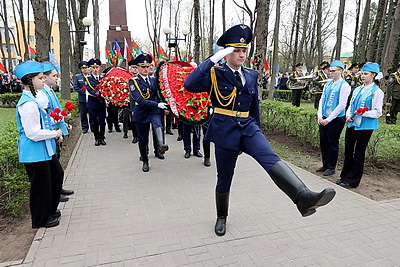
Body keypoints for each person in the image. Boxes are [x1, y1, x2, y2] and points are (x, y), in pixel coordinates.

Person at [184, 24, 336, 237]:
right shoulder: (214, 73)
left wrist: (258, 130)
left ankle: (303, 198)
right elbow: (189, 84)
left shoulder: (252, 75)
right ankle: (221, 216)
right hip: (225, 131)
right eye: (236, 50)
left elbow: (254, 106)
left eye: (243, 50)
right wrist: (214, 57)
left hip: (248, 127)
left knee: (270, 157)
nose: (241, 54)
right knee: (224, 178)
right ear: (226, 52)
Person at [14, 60, 63, 229]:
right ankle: (40, 219)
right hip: (34, 152)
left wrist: (54, 122)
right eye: (40, 78)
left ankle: (49, 210)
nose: (43, 81)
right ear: (30, 80)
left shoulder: (33, 99)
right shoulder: (28, 104)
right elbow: (33, 133)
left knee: (55, 177)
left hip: (43, 150)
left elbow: (42, 122)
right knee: (40, 186)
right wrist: (54, 133)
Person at [337, 62, 384, 188]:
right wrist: (348, 115)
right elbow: (351, 105)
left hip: (366, 126)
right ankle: (345, 176)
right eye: (362, 73)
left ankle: (353, 180)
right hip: (352, 124)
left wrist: (362, 113)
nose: (362, 76)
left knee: (359, 153)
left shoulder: (377, 92)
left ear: (373, 75)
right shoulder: (358, 89)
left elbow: (378, 112)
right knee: (348, 150)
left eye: (365, 74)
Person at [37, 62, 75, 202]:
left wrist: (64, 122)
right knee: (54, 166)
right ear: (45, 78)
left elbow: (56, 110)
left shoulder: (50, 90)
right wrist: (58, 125)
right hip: (52, 131)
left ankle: (58, 189)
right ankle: (55, 192)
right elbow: (48, 115)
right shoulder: (42, 93)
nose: (56, 78)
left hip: (56, 129)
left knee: (56, 161)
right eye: (54, 75)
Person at [128, 54, 169, 172]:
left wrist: (163, 104)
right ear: (138, 68)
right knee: (143, 139)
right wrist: (157, 104)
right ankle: (145, 160)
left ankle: (161, 145)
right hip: (141, 112)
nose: (145, 69)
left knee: (158, 125)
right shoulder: (133, 81)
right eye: (143, 67)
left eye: (147, 66)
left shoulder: (153, 80)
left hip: (154, 111)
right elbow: (140, 100)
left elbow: (159, 94)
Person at [316, 60, 351, 176]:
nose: (330, 73)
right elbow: (322, 100)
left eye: (333, 71)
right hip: (324, 117)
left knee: (332, 143)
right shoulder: (328, 84)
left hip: (335, 119)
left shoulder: (344, 85)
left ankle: (331, 167)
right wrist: (320, 116)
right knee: (323, 142)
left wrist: (329, 119)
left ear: (340, 71)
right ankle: (325, 164)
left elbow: (341, 105)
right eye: (329, 71)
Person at [85, 58, 107, 146]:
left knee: (102, 121)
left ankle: (102, 137)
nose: (95, 70)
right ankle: (96, 138)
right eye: (93, 68)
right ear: (90, 68)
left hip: (101, 103)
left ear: (99, 68)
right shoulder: (88, 79)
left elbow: (106, 88)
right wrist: (99, 94)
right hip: (92, 102)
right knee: (94, 122)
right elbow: (90, 89)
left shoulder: (103, 78)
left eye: (97, 67)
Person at [123, 60, 139, 142]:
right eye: (133, 67)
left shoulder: (140, 77)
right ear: (130, 68)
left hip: (138, 102)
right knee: (128, 119)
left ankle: (138, 135)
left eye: (136, 67)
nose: (135, 69)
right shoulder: (125, 77)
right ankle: (133, 135)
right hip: (127, 102)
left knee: (137, 120)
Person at [73, 61, 90, 134]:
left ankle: (93, 127)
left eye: (86, 68)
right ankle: (84, 128)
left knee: (92, 114)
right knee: (83, 114)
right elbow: (76, 87)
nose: (84, 69)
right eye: (83, 68)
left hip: (90, 98)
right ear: (81, 69)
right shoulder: (78, 77)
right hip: (82, 99)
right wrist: (83, 92)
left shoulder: (91, 76)